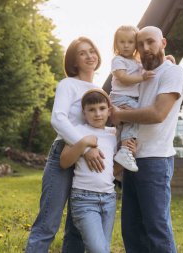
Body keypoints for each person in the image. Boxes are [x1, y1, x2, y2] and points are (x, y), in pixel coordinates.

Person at [111, 26, 183, 253]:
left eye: (151, 42)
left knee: (156, 229)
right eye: (140, 44)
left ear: (163, 43)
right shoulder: (137, 74)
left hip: (155, 160)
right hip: (131, 158)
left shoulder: (173, 73)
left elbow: (157, 114)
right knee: (132, 230)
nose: (145, 48)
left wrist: (120, 114)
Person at [26, 37, 106, 253]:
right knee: (48, 223)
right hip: (64, 152)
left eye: (92, 50)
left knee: (78, 227)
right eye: (82, 53)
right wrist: (86, 147)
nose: (90, 56)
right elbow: (58, 119)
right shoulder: (68, 84)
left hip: (86, 162)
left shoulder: (98, 88)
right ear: (74, 61)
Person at [59, 88, 134, 253]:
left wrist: (129, 154)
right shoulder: (77, 130)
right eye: (91, 110)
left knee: (103, 248)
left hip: (108, 199)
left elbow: (110, 171)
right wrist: (84, 143)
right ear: (84, 113)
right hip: (84, 199)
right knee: (99, 250)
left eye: (101, 108)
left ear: (109, 111)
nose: (97, 114)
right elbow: (64, 162)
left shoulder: (114, 134)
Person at [109, 25, 155, 172]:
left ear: (135, 44)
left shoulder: (137, 62)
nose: (126, 45)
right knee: (138, 115)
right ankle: (124, 150)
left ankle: (121, 152)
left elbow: (153, 61)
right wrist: (142, 78)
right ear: (116, 44)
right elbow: (122, 78)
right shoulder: (118, 60)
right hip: (120, 97)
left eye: (130, 42)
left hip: (130, 98)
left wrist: (168, 58)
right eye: (122, 42)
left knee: (128, 125)